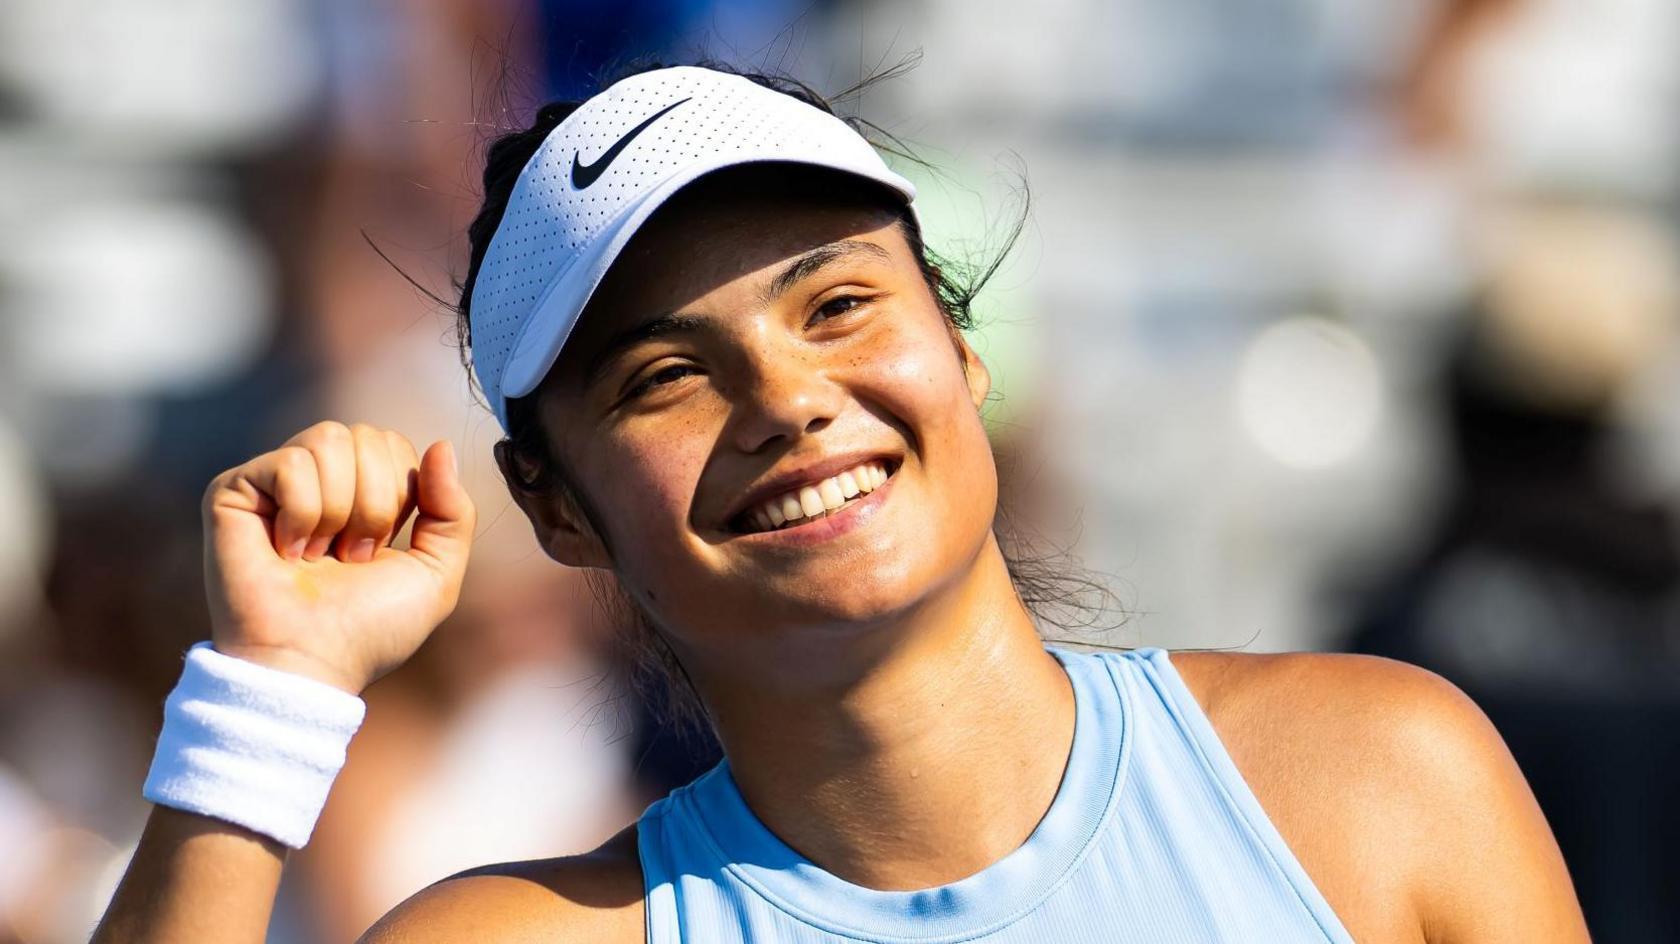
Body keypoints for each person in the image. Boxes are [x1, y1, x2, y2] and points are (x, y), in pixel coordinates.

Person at [93, 63, 1589, 943]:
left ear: (963, 349)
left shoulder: (1379, 784)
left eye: (841, 305)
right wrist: (269, 699)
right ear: (551, 509)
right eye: (666, 375)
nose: (788, 400)